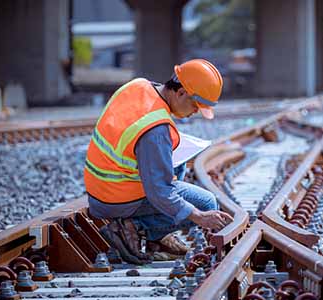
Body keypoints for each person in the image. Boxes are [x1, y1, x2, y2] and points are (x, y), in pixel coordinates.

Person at [84, 59, 233, 265]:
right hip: (116, 198)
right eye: (195, 105)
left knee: (177, 161)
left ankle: (153, 235)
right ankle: (135, 228)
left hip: (100, 186)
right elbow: (160, 193)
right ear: (180, 92)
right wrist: (199, 216)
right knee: (206, 202)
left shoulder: (138, 85)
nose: (196, 112)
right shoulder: (156, 129)